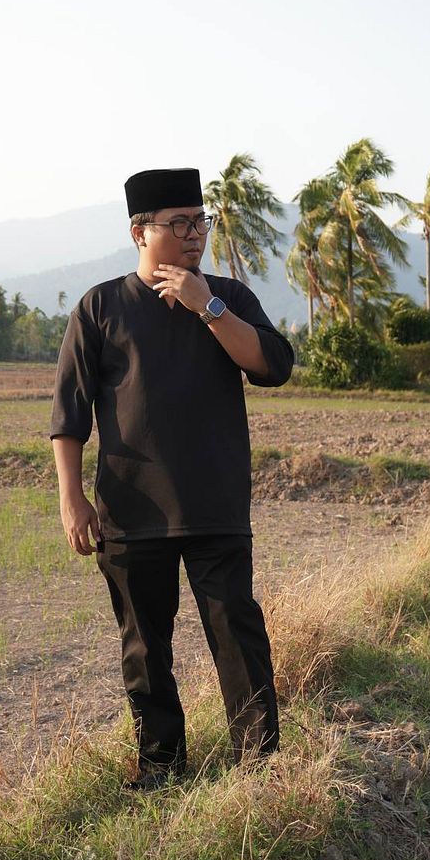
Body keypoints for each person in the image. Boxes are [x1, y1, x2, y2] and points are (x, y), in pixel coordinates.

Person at [50, 168, 295, 791]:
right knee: (144, 646)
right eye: (179, 224)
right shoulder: (100, 307)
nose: (194, 236)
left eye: (200, 222)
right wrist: (72, 499)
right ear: (140, 232)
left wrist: (205, 306)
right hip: (131, 512)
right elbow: (70, 415)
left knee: (238, 631)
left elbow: (272, 366)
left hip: (214, 504)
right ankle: (161, 768)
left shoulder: (229, 298)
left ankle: (259, 768)